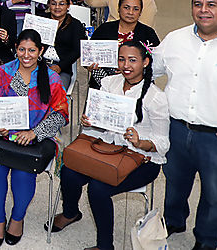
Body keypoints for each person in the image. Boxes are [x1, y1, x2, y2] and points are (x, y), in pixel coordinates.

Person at [51, 40, 169, 250]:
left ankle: (105, 246)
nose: (126, 65)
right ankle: (71, 213)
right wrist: (90, 122)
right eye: (122, 59)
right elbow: (96, 127)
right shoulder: (108, 83)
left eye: (133, 60)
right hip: (107, 149)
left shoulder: (156, 98)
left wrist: (141, 141)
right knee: (68, 171)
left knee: (98, 189)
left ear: (146, 62)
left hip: (142, 159)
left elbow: (163, 143)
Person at [151, 0, 217, 250]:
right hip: (177, 130)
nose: (203, 11)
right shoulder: (175, 39)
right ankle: (175, 221)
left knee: (216, 195)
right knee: (175, 183)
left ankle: (207, 240)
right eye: (198, 4)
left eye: (211, 5)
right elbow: (150, 71)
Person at [0, 29, 69, 248]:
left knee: (23, 174)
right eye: (22, 49)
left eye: (32, 50)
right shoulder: (3, 72)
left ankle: (17, 218)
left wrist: (34, 133)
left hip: (36, 138)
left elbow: (61, 114)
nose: (26, 55)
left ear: (40, 51)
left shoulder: (51, 78)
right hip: (3, 135)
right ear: (15, 49)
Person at [88, 0, 159, 89]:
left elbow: (156, 61)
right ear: (118, 9)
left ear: (140, 12)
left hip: (137, 82)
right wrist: (91, 65)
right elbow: (89, 55)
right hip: (104, 79)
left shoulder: (148, 33)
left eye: (136, 9)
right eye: (126, 7)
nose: (130, 12)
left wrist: (129, 69)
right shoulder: (105, 29)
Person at [43, 0, 86, 89]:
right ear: (49, 5)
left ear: (68, 6)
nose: (57, 7)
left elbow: (77, 51)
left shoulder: (75, 25)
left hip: (62, 68)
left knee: (56, 91)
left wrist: (60, 66)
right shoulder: (41, 20)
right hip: (39, 65)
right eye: (53, 4)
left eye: (61, 4)